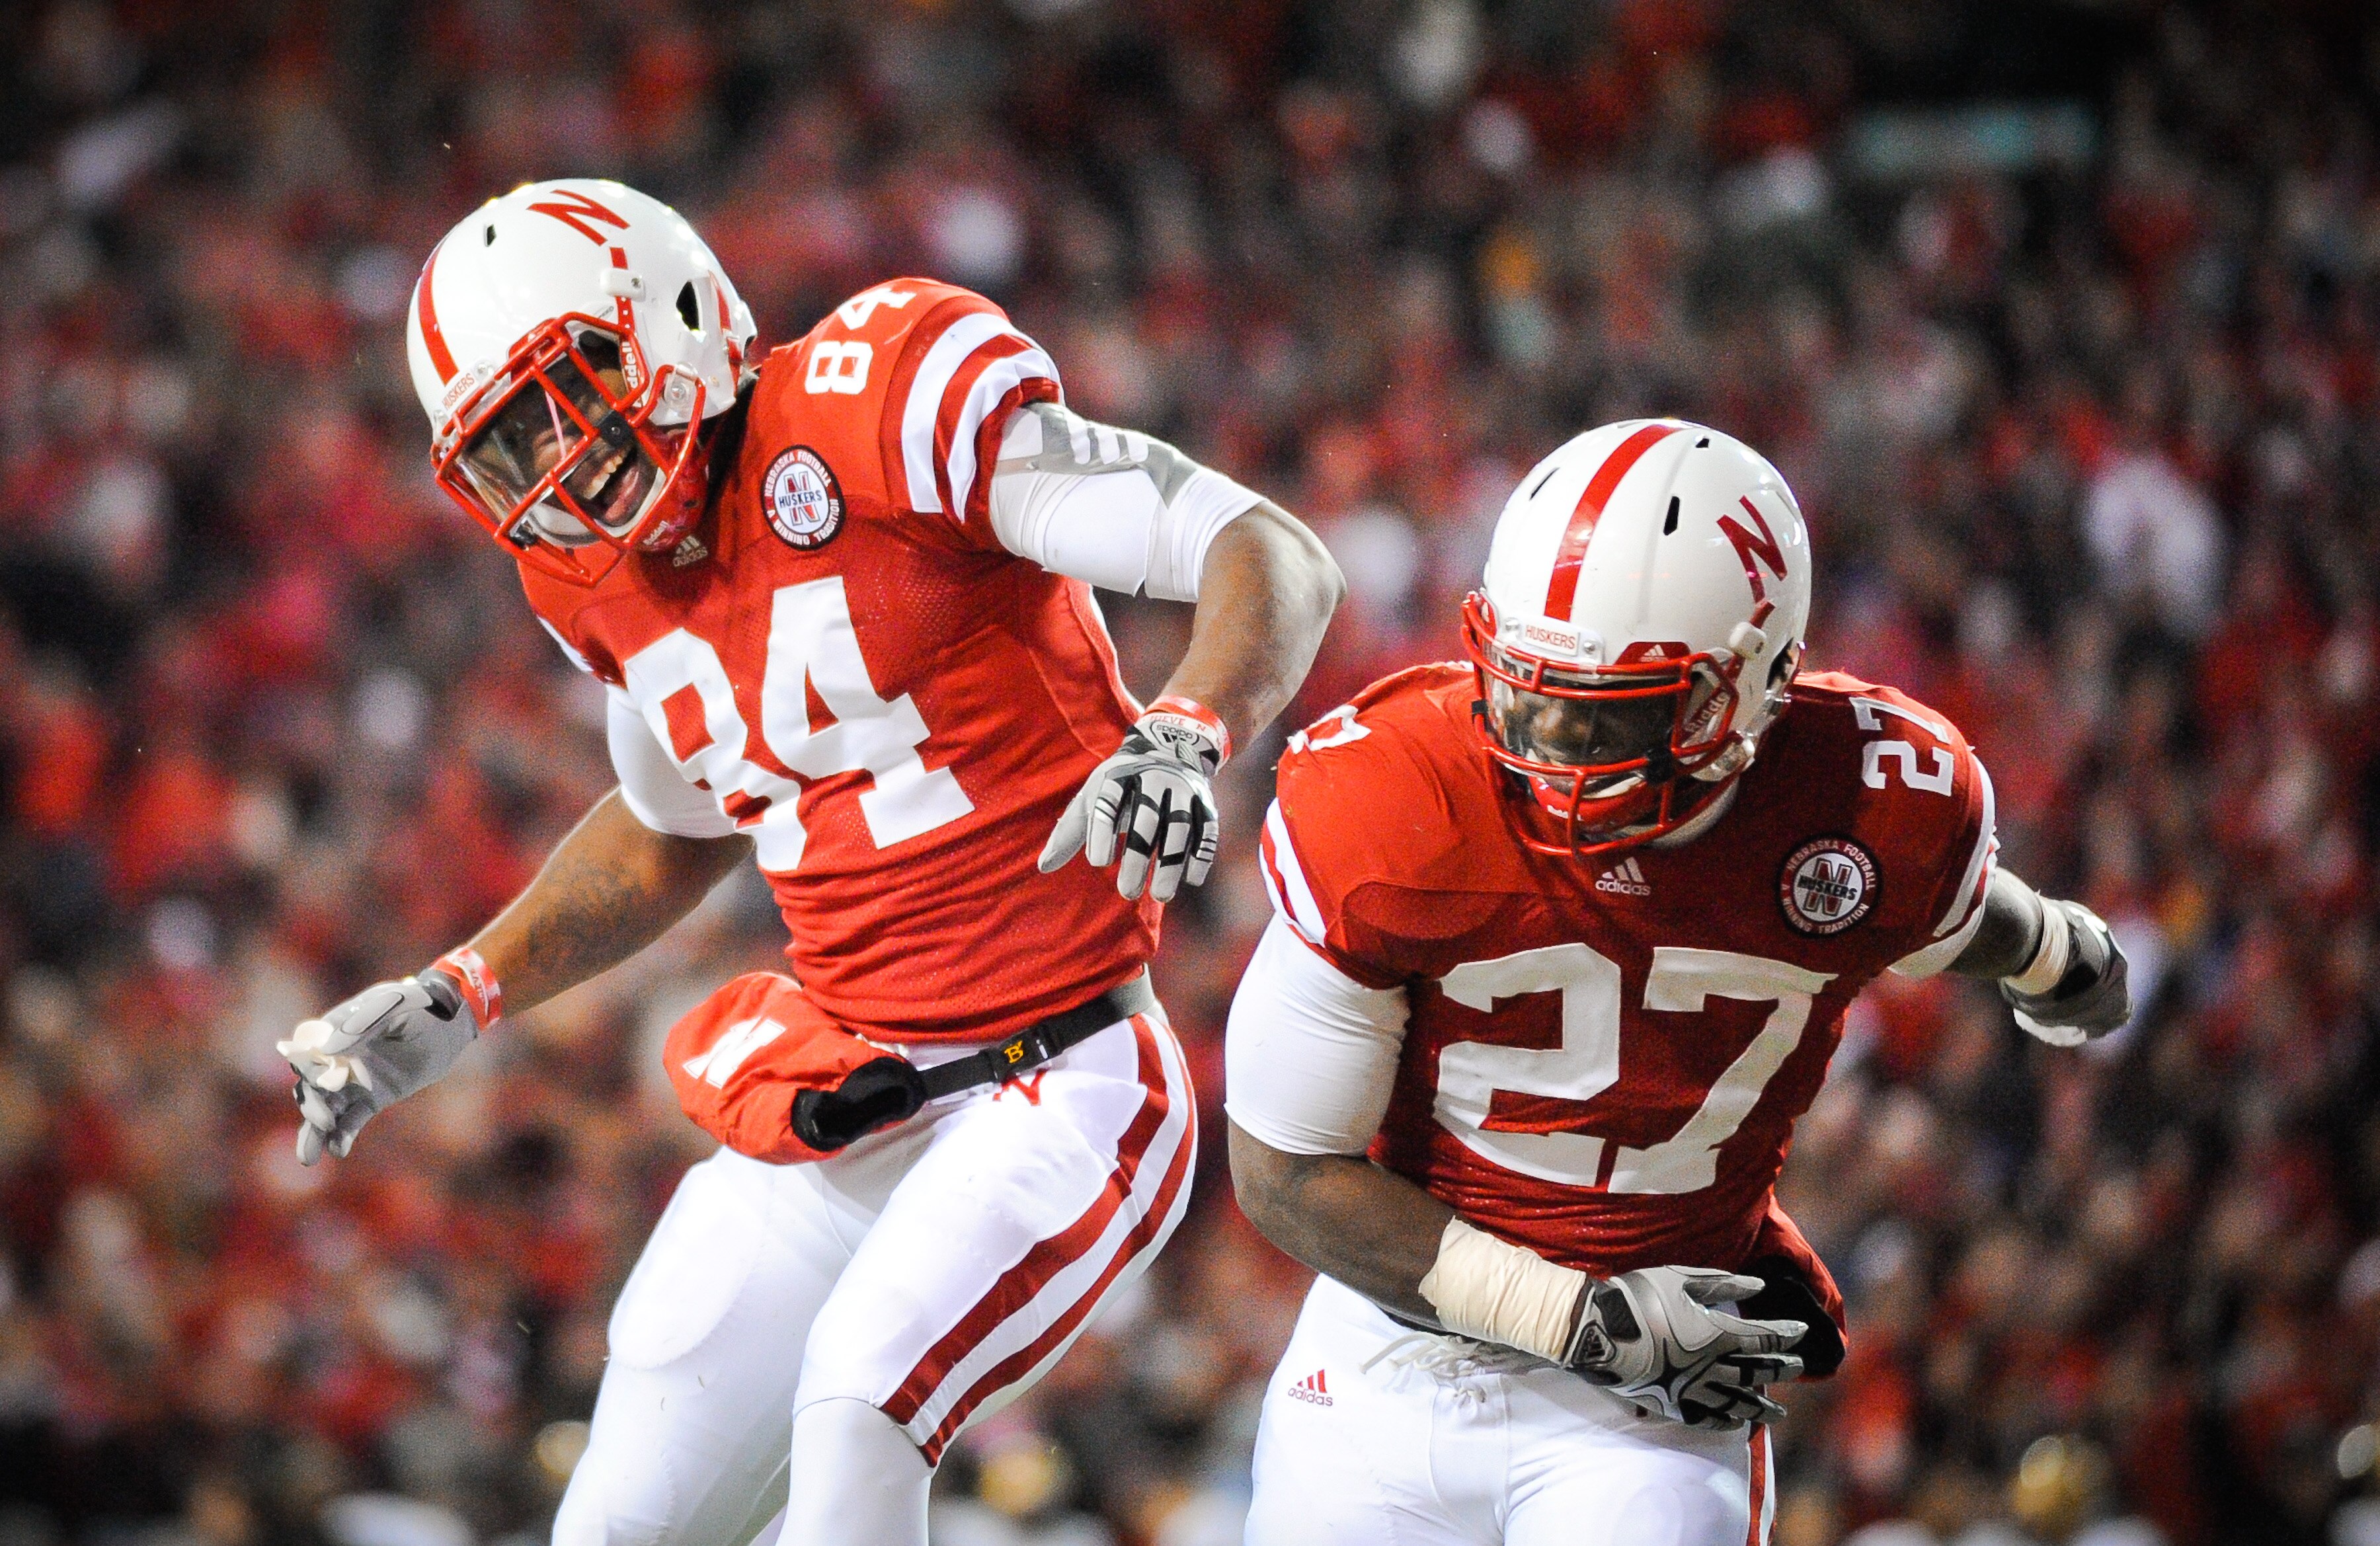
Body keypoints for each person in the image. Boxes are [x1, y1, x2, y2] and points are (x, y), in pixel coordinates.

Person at [272, 179, 1341, 1546]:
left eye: (573, 391)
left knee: (859, 1415)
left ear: (675, 315)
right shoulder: (593, 580)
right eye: (510, 442)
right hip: (847, 1092)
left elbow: (1264, 548)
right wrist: (460, 990)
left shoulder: (878, 402)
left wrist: (1190, 730)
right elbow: (671, 823)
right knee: (618, 1519)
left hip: (1062, 1079)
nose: (558, 460)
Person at [1223, 418, 2127, 1545]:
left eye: (1610, 712)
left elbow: (1941, 913)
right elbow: (1285, 1175)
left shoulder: (1866, 806)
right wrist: (1580, 1317)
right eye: (1528, 691)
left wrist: (2052, 950)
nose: (1550, 746)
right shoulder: (1397, 797)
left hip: (1649, 1406)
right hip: (1395, 1348)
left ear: (1753, 686)